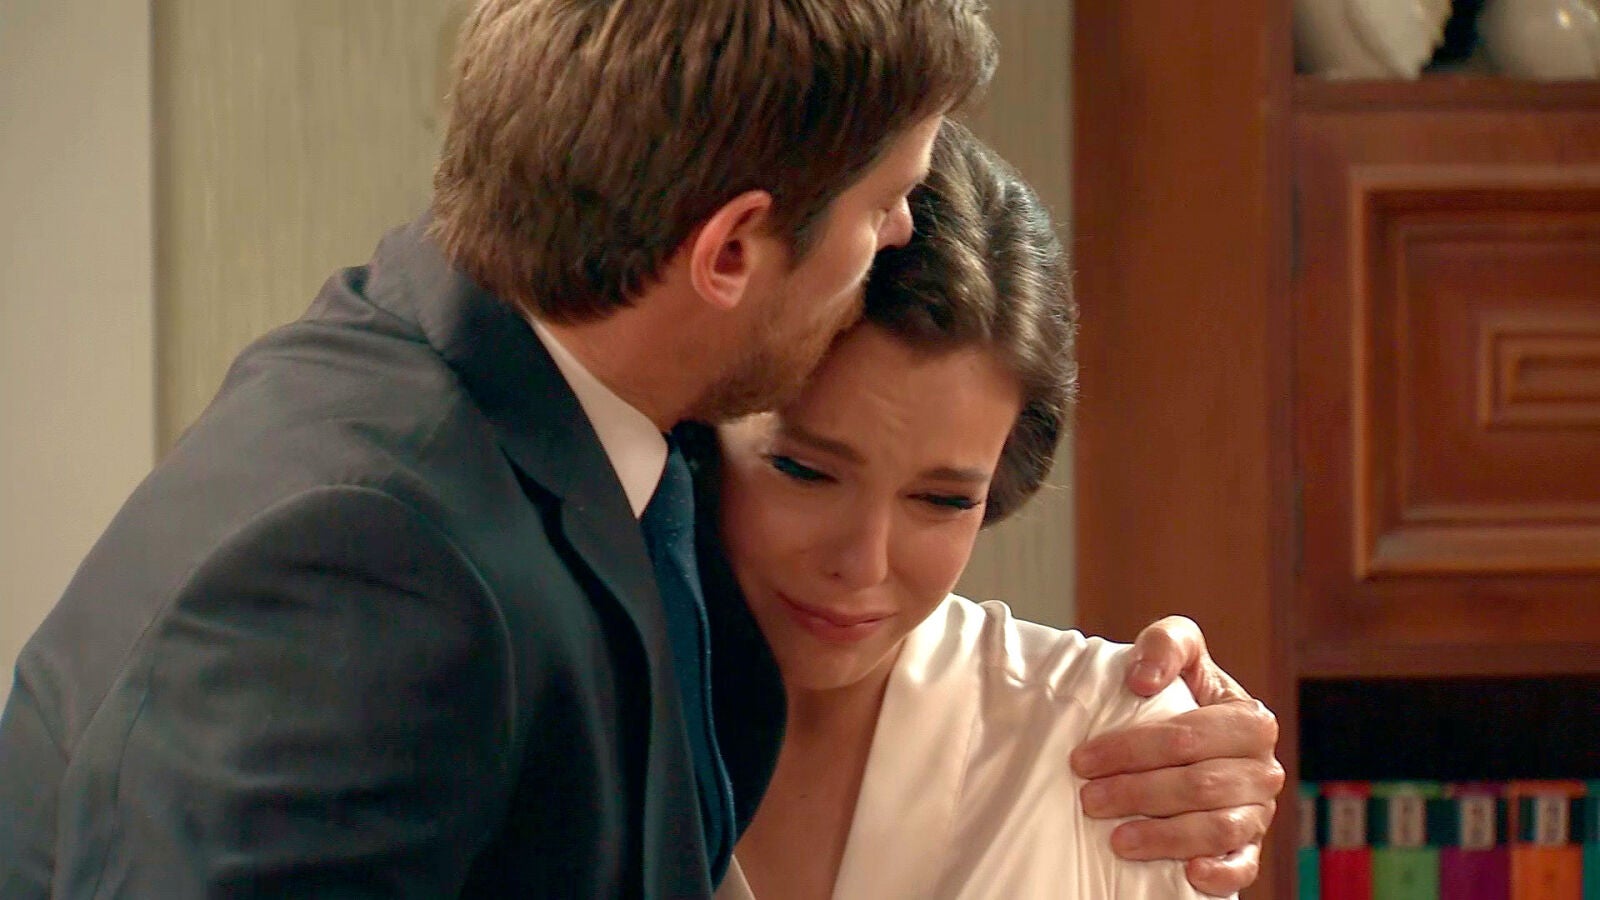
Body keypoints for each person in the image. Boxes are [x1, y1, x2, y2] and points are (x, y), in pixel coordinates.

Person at [0, 3, 1274, 897]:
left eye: (943, 497)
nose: (899, 235)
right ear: (730, 250)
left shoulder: (557, 440)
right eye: (886, 203)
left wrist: (1160, 730)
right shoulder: (375, 562)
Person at [691, 122, 1256, 897]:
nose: (863, 562)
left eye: (942, 500)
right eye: (805, 471)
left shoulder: (1107, 743)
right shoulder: (574, 698)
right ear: (703, 430)